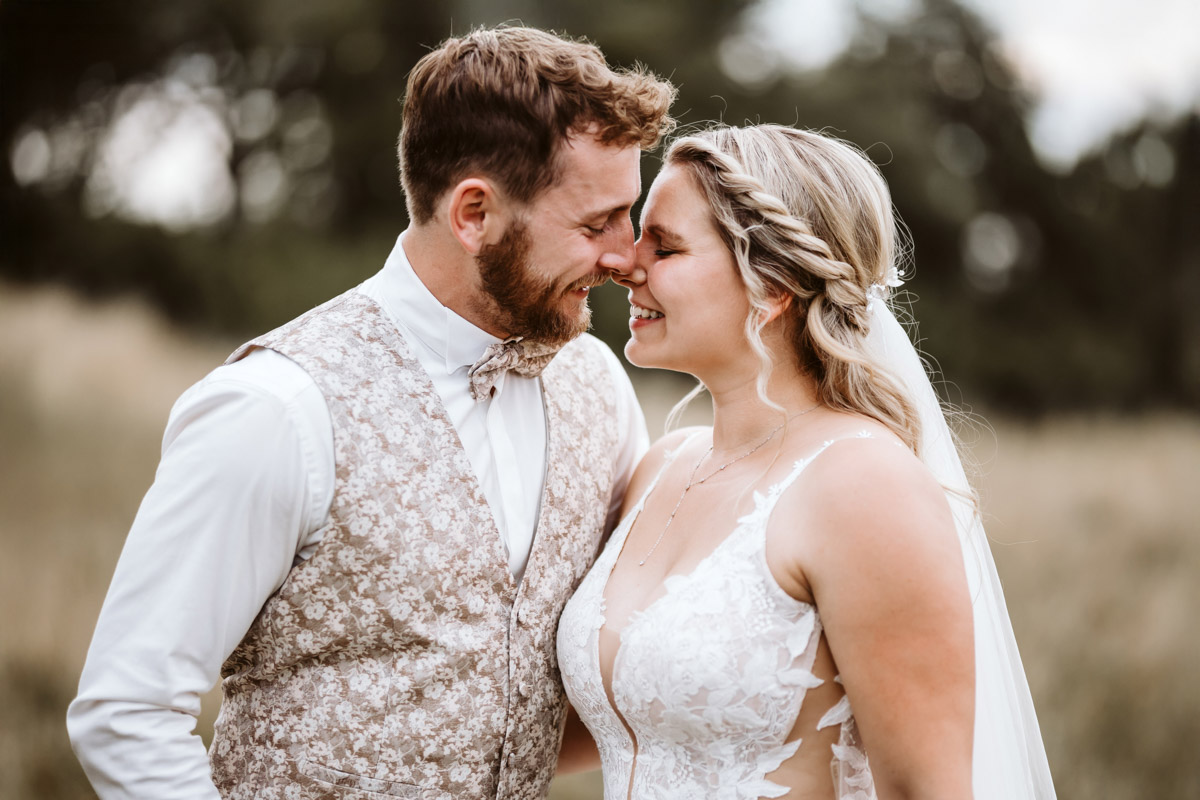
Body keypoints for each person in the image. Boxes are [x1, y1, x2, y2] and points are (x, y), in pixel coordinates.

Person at [67, 26, 675, 800]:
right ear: (474, 214)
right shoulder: (277, 409)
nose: (626, 256)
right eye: (596, 225)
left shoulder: (598, 385)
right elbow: (127, 710)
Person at [557, 125, 1056, 799]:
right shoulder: (662, 466)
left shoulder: (862, 486)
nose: (623, 263)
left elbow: (926, 789)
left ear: (774, 284)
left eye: (665, 245)